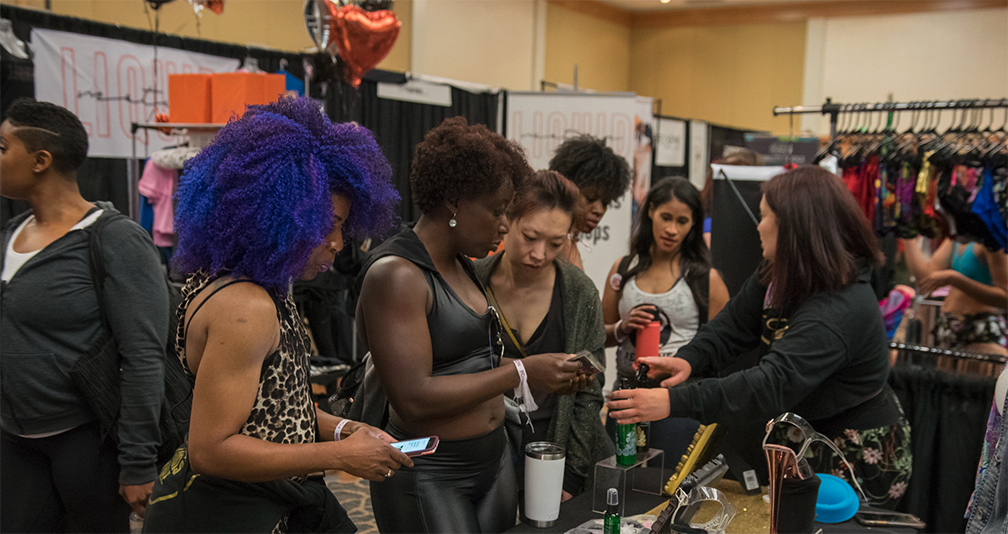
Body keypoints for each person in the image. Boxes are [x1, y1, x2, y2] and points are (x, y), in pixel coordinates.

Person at [143, 97, 411, 534]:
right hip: (229, 512)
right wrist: (341, 455)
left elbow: (272, 413)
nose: (339, 243)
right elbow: (210, 449)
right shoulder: (245, 308)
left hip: (273, 497)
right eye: (330, 224)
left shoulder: (253, 284)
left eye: (344, 225)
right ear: (284, 218)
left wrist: (343, 428)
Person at [608, 166, 913, 508]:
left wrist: (675, 402)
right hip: (803, 436)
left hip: (851, 451)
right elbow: (732, 327)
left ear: (795, 228)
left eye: (765, 217)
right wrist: (689, 359)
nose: (758, 226)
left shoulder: (840, 308)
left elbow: (770, 384)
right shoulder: (780, 271)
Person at [357, 117, 583, 534]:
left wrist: (544, 369)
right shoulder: (397, 275)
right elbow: (413, 398)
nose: (503, 225)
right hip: (429, 471)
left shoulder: (463, 265)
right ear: (454, 201)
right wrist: (520, 372)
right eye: (497, 211)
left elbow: (465, 360)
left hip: (492, 462)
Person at [0, 99, 167, 533]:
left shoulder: (113, 239)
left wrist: (137, 463)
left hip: (86, 445)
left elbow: (143, 355)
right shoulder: (9, 236)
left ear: (41, 160)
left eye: (2, 146)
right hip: (15, 440)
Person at [474, 170, 614, 502]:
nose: (539, 254)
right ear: (508, 220)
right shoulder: (473, 281)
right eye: (530, 236)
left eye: (555, 243)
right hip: (487, 445)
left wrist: (570, 474)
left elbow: (589, 394)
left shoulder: (578, 292)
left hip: (558, 441)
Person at [900, 237, 1008, 365]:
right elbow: (925, 280)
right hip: (949, 329)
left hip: (980, 330)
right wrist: (908, 235)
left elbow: (1005, 297)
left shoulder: (990, 240)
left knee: (978, 384)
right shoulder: (956, 237)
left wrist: (955, 279)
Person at [548, 134, 632, 270]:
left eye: (605, 203)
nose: (598, 210)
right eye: (590, 198)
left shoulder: (570, 242)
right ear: (567, 187)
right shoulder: (554, 243)